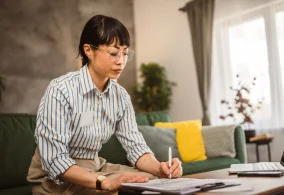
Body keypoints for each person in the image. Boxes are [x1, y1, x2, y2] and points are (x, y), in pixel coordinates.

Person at [27, 15, 182, 195]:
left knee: (154, 183)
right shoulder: (61, 90)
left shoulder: (120, 96)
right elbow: (55, 160)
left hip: (95, 167)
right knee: (110, 191)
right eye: (114, 53)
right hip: (56, 180)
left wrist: (161, 169)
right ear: (88, 50)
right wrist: (104, 182)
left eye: (125, 53)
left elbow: (135, 147)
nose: (121, 61)